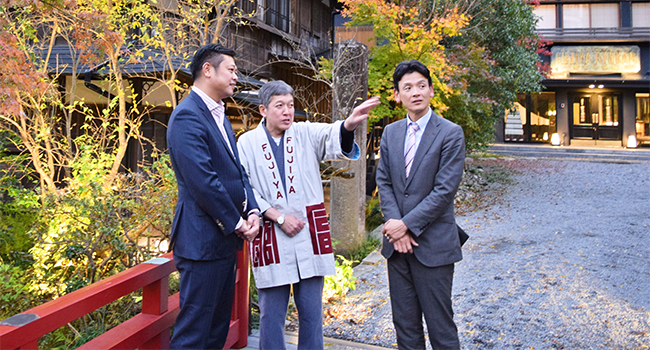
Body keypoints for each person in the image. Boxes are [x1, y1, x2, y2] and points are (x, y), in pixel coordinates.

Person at [237, 80, 380, 350]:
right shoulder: (247, 143)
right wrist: (276, 216)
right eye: (279, 105)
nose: (287, 111)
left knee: (312, 314)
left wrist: (349, 123)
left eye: (291, 105)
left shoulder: (304, 132)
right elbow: (244, 186)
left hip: (309, 233)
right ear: (263, 110)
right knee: (271, 314)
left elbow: (331, 134)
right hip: (271, 235)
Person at [167, 43, 261, 350]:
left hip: (223, 239)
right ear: (208, 70)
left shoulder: (219, 115)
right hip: (201, 241)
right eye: (231, 70)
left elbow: (237, 173)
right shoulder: (187, 117)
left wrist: (254, 211)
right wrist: (236, 222)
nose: (237, 77)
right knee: (195, 332)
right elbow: (203, 182)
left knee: (217, 328)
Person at [376, 60, 466, 350]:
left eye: (421, 86)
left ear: (430, 90)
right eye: (408, 87)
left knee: (441, 327)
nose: (415, 92)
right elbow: (385, 182)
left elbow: (444, 191)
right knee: (405, 327)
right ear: (398, 95)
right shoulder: (391, 133)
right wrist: (395, 228)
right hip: (397, 248)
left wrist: (406, 225)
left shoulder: (450, 133)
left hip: (433, 245)